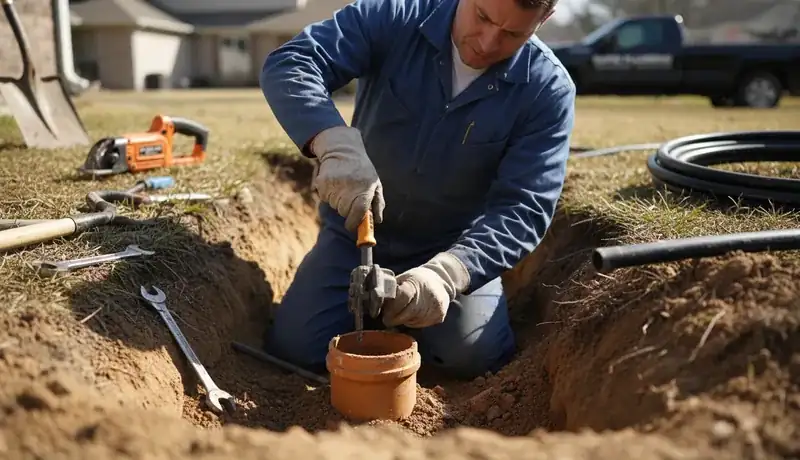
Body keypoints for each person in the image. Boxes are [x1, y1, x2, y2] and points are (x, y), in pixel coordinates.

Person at [259, 0, 575, 380]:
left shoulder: (547, 89)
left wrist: (450, 274)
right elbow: (292, 62)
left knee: (469, 359)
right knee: (297, 348)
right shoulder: (395, 16)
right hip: (356, 237)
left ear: (544, 19)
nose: (488, 43)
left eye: (512, 34)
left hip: (454, 251)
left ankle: (427, 314)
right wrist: (331, 142)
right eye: (483, 17)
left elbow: (523, 208)